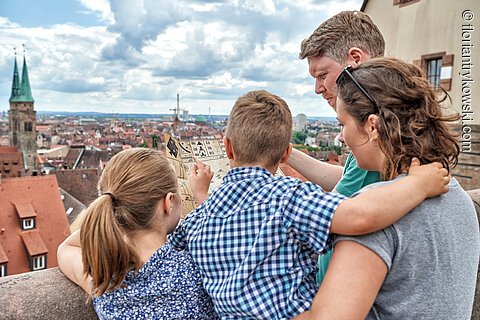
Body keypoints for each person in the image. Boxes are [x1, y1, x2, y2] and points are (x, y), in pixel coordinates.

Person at [169, 89, 450, 319]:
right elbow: (361, 215)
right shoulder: (289, 197)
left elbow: (178, 241)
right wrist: (418, 184)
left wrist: (202, 197)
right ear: (286, 154)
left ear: (228, 147)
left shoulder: (199, 219)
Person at [294, 58, 480, 320]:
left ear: (372, 126)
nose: (340, 137)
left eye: (342, 124)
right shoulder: (455, 194)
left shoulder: (377, 212)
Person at [57, 148, 218, 320]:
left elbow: (66, 248)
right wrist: (202, 196)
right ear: (168, 203)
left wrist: (114, 222)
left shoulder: (104, 279)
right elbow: (216, 237)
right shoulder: (195, 267)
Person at [287, 10, 386, 282]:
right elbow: (347, 179)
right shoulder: (374, 119)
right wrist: (287, 153)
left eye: (322, 75)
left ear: (355, 59)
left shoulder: (373, 130)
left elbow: (332, 210)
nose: (318, 88)